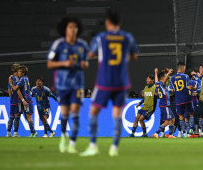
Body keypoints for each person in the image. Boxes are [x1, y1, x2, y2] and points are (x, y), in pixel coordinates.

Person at [80, 10, 138, 157]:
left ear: (107, 22)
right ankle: (114, 148)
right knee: (117, 114)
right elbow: (134, 56)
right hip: (120, 82)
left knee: (93, 111)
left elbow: (90, 54)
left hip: (104, 82)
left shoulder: (101, 38)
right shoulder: (127, 37)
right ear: (120, 23)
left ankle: (93, 146)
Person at [47, 17, 89, 153]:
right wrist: (63, 63)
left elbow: (86, 62)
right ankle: (63, 136)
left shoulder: (82, 45)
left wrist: (84, 64)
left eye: (75, 27)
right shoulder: (58, 44)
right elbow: (50, 63)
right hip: (63, 85)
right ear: (65, 29)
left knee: (75, 113)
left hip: (77, 84)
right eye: (70, 27)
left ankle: (72, 144)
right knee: (65, 114)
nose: (73, 30)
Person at [9, 65, 37, 137]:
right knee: (27, 116)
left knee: (28, 116)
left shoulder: (22, 79)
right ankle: (32, 132)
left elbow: (15, 88)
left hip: (27, 100)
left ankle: (33, 132)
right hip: (26, 99)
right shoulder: (25, 78)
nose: (18, 72)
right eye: (17, 71)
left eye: (19, 71)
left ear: (23, 73)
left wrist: (11, 83)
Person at [169, 62, 194, 138]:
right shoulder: (186, 76)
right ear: (182, 68)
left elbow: (171, 90)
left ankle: (184, 133)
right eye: (184, 68)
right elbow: (189, 87)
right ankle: (190, 129)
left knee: (181, 117)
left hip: (178, 100)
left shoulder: (172, 78)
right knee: (191, 114)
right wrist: (194, 88)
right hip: (187, 99)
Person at [152, 69, 176, 139]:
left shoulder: (157, 84)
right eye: (165, 75)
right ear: (163, 77)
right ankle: (156, 133)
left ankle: (171, 135)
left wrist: (155, 72)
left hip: (164, 104)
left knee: (173, 119)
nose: (166, 76)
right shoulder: (162, 84)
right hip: (165, 105)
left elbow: (156, 80)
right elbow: (164, 80)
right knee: (168, 121)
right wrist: (168, 73)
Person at [6, 63, 23, 137]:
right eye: (19, 69)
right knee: (17, 116)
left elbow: (9, 90)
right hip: (17, 100)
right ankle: (15, 133)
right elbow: (17, 89)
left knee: (11, 116)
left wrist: (11, 97)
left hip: (12, 100)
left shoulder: (10, 78)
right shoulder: (17, 78)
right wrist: (21, 99)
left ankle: (8, 133)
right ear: (17, 70)